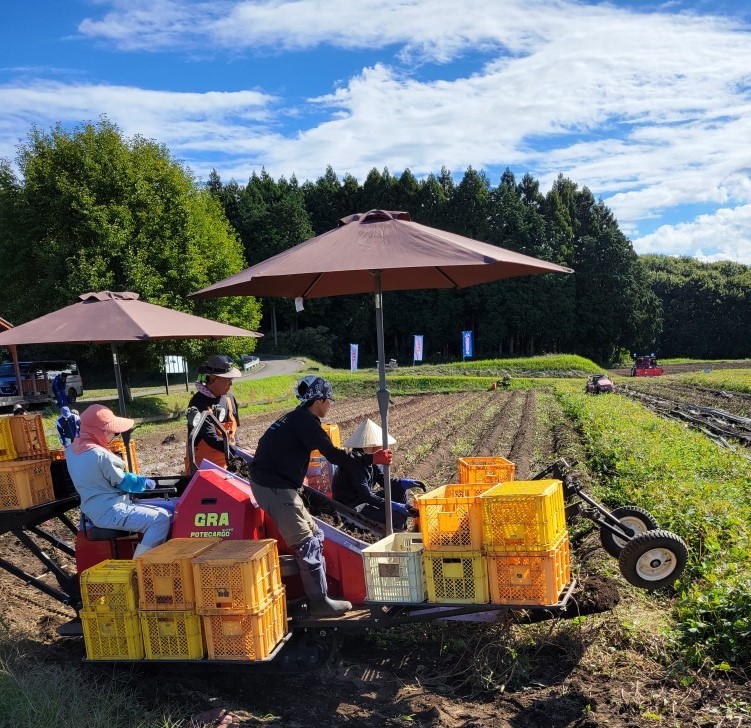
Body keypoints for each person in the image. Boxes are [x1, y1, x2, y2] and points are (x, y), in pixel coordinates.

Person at [249, 376, 393, 617]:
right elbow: (334, 455)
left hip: (278, 485)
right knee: (306, 542)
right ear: (320, 400)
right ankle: (319, 603)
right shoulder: (306, 423)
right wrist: (372, 459)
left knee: (316, 534)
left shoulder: (296, 418)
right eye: (329, 401)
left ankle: (317, 594)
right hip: (274, 488)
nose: (330, 406)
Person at [66, 404, 173, 557]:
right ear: (102, 432)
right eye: (114, 433)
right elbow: (123, 482)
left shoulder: (71, 451)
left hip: (91, 509)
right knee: (161, 519)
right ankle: (139, 568)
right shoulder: (101, 456)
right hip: (111, 510)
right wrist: (143, 483)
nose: (115, 436)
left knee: (160, 511)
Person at [332, 418, 422, 529]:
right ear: (372, 446)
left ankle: (398, 525)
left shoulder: (371, 459)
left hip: (365, 499)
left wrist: (401, 483)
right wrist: (393, 506)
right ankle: (391, 531)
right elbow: (367, 496)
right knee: (398, 517)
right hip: (352, 506)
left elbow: (383, 480)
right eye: (380, 446)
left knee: (399, 489)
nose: (384, 449)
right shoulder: (353, 464)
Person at [185, 355, 242, 472]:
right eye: (226, 380)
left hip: (227, 463)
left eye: (231, 380)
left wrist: (239, 452)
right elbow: (211, 438)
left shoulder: (229, 398)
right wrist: (237, 451)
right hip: (204, 468)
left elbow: (234, 432)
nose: (230, 384)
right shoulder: (198, 402)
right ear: (212, 378)